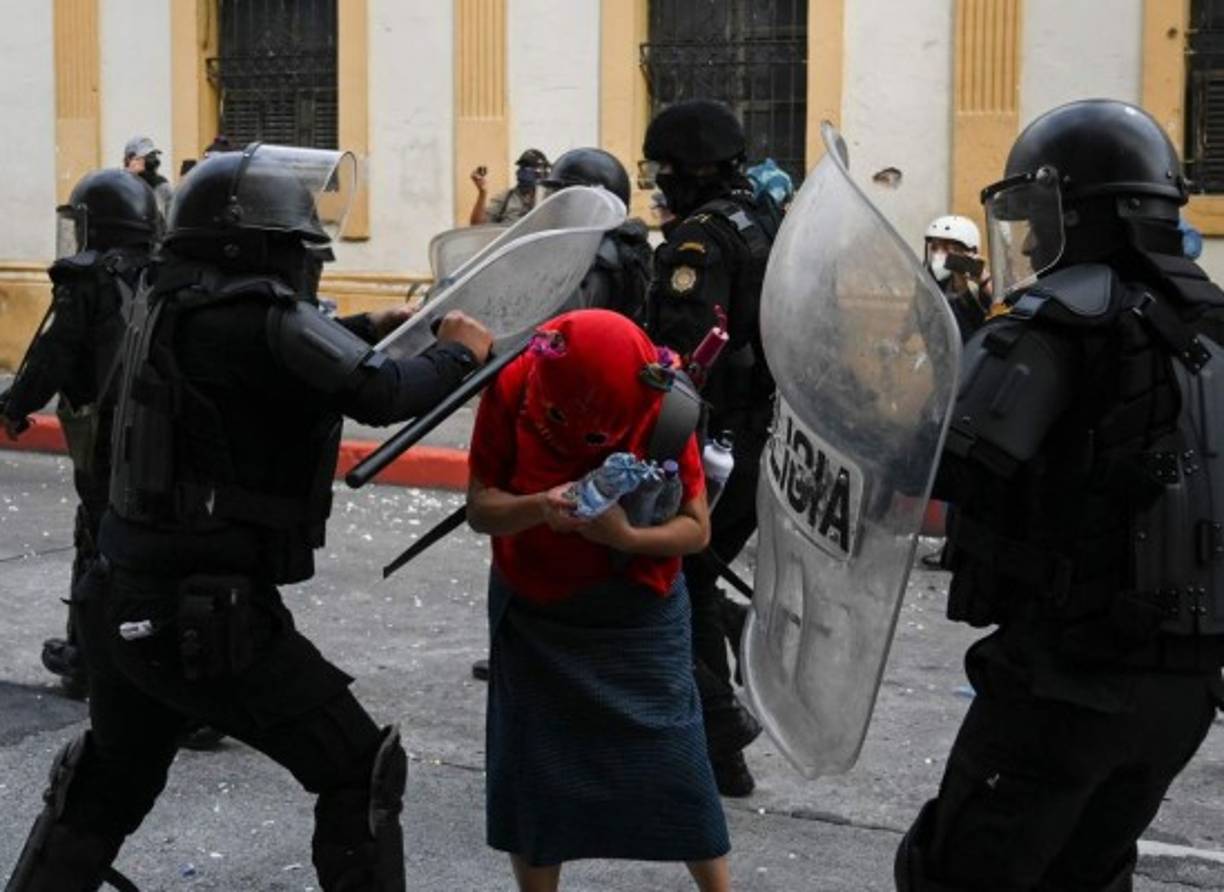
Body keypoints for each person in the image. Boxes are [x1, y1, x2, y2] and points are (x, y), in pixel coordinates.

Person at [5, 142, 494, 892]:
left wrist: (365, 323)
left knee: (108, 781)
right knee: (359, 767)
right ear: (259, 247)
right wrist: (458, 353)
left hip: (123, 591)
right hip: (201, 612)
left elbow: (288, 354)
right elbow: (383, 394)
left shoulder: (173, 298)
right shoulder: (251, 312)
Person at [894, 99, 1224, 891]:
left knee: (958, 875)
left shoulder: (1055, 320)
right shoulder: (1214, 319)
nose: (1033, 239)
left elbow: (949, 462)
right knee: (1088, 875)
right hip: (1186, 691)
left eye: (1041, 215)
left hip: (1066, 682)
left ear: (1081, 213)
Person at [466, 309, 730, 892]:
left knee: (677, 765)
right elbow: (481, 508)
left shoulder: (668, 403)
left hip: (639, 611)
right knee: (536, 779)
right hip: (536, 610)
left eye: (603, 430)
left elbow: (697, 530)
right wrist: (540, 506)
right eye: (567, 422)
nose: (588, 439)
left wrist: (627, 539)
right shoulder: (514, 385)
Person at [642, 98, 782, 797]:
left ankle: (721, 739)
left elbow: (681, 358)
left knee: (675, 579)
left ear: (687, 170)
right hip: (764, 434)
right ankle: (715, 739)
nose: (661, 183)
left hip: (712, 440)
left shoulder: (698, 241)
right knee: (696, 573)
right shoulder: (766, 219)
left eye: (665, 170)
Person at [0, 169, 159, 700]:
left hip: (107, 431)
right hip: (159, 429)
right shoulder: (164, 271)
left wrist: (15, 406)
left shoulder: (85, 278)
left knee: (96, 537)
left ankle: (89, 656)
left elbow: (54, 353)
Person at [541, 147, 653, 320]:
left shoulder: (599, 260)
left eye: (565, 199)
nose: (555, 207)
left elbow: (565, 324)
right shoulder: (585, 246)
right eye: (551, 195)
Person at [921, 214, 993, 341]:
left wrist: (982, 281)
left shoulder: (980, 285)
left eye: (949, 248)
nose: (938, 255)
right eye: (934, 248)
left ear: (970, 252)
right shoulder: (933, 284)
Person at [469, 148, 550, 225]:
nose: (522, 172)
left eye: (528, 167)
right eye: (521, 167)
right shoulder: (506, 197)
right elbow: (477, 225)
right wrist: (482, 192)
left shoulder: (548, 198)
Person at [123, 136, 173, 222]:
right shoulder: (120, 183)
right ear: (130, 159)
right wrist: (131, 175)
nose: (151, 160)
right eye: (146, 156)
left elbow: (170, 219)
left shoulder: (161, 185)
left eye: (152, 155)